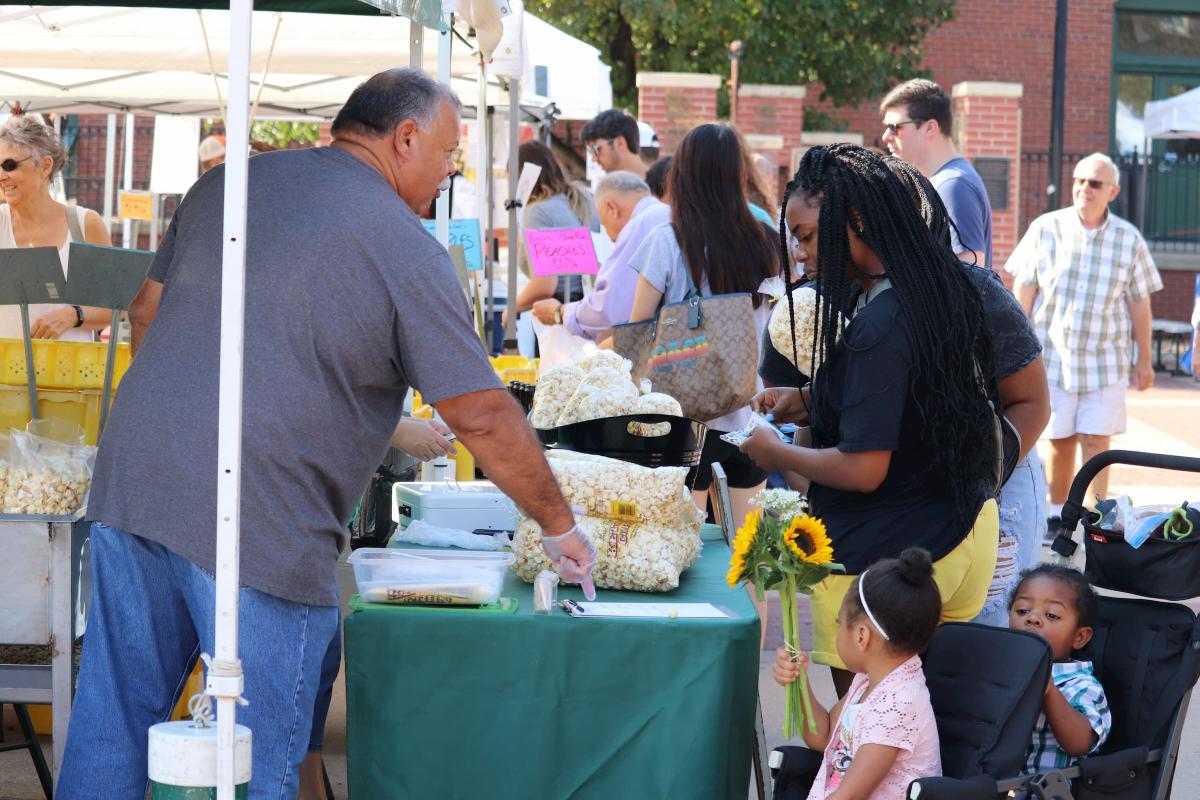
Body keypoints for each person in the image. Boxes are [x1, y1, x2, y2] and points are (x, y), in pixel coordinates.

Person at [58, 68, 596, 800]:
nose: (450, 174)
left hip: (136, 477)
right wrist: (559, 525)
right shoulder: (404, 247)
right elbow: (482, 414)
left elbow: (146, 314)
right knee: (259, 763)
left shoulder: (226, 187)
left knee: (114, 719)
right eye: (448, 154)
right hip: (257, 515)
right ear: (405, 139)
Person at [742, 144, 1000, 695]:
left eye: (808, 236)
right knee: (926, 725)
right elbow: (910, 401)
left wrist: (773, 452)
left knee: (864, 731)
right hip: (962, 532)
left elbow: (864, 469)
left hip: (889, 555)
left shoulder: (878, 322)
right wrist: (812, 399)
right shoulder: (938, 289)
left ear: (854, 222)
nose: (799, 253)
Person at [883, 157, 1050, 625]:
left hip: (998, 484)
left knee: (988, 632)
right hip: (925, 494)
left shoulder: (974, 290)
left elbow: (1033, 402)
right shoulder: (862, 297)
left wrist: (981, 484)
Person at [625, 122, 780, 525]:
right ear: (738, 173)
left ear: (683, 174)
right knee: (746, 554)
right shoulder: (766, 241)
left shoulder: (667, 241)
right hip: (747, 414)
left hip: (680, 421)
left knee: (682, 548)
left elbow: (637, 330)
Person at [1005, 153, 1162, 514]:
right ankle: (1060, 512)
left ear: (1113, 191)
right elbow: (1023, 292)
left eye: (1094, 183)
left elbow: (1140, 304)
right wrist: (1014, 352)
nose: (1084, 189)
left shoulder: (1129, 239)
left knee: (1096, 443)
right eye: (1078, 181)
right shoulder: (1046, 228)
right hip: (1053, 357)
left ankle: (1093, 518)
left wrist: (1145, 360)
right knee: (1058, 441)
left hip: (1105, 359)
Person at [773, 548, 943, 798]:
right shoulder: (870, 680)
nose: (838, 631)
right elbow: (824, 736)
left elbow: (850, 796)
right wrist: (798, 683)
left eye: (839, 624)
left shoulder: (899, 705)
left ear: (862, 636)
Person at [0, 115, 113, 340]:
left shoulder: (84, 224)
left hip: (69, 370)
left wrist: (72, 315)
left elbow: (116, 308)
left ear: (45, 166)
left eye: (9, 165)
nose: (2, 176)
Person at [530, 171, 670, 341]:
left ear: (612, 208)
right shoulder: (666, 212)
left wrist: (561, 313)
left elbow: (609, 309)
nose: (611, 239)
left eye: (604, 225)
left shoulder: (638, 225)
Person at [1009, 565, 1111, 774]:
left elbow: (1080, 743)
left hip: (1043, 791)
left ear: (1079, 637)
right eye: (1022, 610)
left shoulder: (1081, 685)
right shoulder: (1002, 668)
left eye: (1052, 615)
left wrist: (1049, 690)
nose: (1032, 618)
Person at [880, 78, 993, 268]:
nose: (886, 137)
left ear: (930, 128)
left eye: (895, 127)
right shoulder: (943, 181)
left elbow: (970, 275)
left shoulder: (954, 185)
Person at [506, 140, 600, 327]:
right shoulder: (584, 198)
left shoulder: (537, 212)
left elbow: (545, 284)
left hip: (558, 314)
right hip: (590, 309)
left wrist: (511, 308)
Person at [580, 109, 647, 178]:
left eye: (596, 150)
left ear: (620, 143)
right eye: (591, 152)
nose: (593, 159)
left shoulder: (657, 185)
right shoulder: (610, 186)